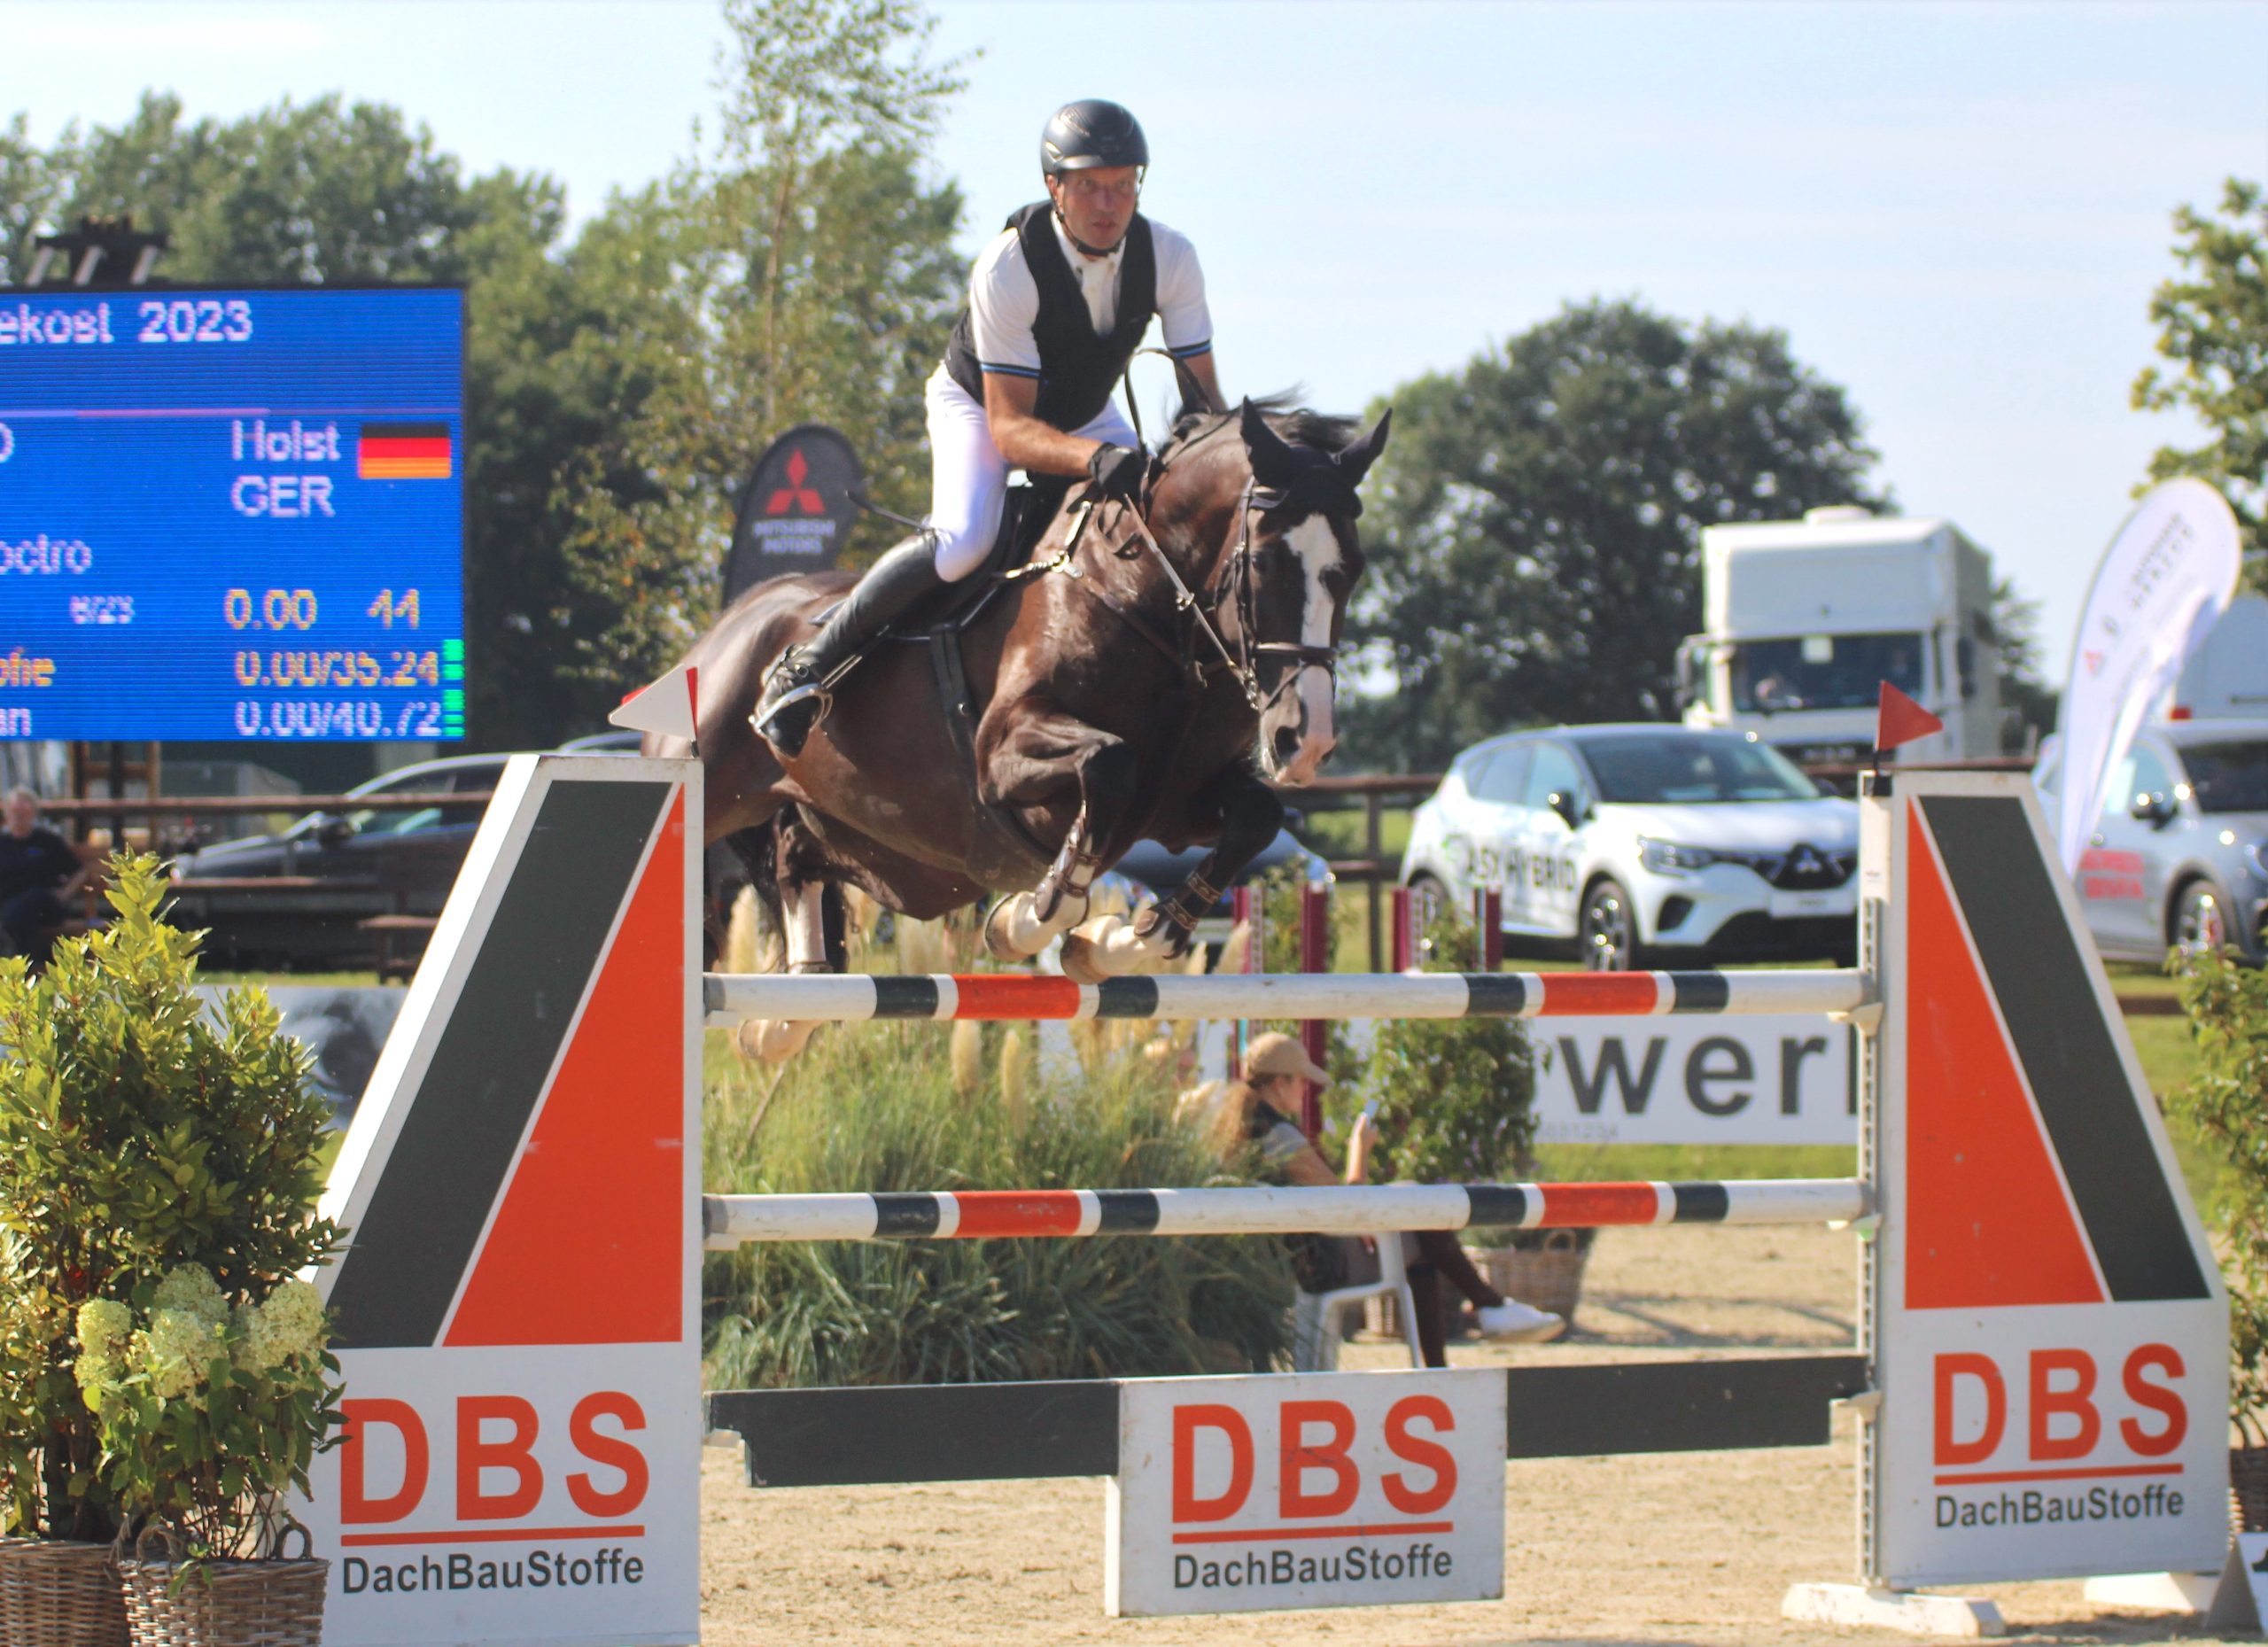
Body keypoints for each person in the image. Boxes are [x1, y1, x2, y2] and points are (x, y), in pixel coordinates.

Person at [754, 97, 1225, 757]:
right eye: (1089, 185)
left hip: (1082, 410)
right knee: (964, 541)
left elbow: (1203, 400)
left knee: (1151, 524)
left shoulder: (1172, 257)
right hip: (980, 408)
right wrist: (1094, 459)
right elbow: (1011, 431)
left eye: (1123, 186)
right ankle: (810, 666)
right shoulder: (1010, 264)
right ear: (1053, 188)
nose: (1108, 204)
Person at [1230, 1033, 1565, 1360]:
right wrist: (1359, 1152)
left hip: (1298, 1259)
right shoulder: (1280, 1136)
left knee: (1416, 1209)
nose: (1306, 1091)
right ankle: (1481, 1316)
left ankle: (1479, 1318)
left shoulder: (1245, 1129)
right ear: (1280, 1084)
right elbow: (1347, 1208)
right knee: (1421, 1217)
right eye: (1302, 1081)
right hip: (1321, 1266)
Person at [0, 788, 89, 967]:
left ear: (33, 812)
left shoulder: (47, 841)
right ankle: (31, 963)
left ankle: (22, 965)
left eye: (24, 811)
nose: (19, 815)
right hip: (9, 905)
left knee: (31, 899)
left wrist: (64, 894)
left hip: (45, 905)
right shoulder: (3, 842)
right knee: (17, 915)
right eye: (15, 811)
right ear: (7, 812)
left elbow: (80, 871)